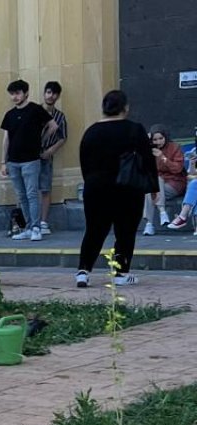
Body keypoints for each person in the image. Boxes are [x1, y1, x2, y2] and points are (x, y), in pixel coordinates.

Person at [76, 90, 157, 288]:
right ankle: (121, 273)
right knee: (125, 232)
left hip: (96, 188)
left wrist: (91, 183)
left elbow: (84, 163)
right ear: (125, 107)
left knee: (94, 230)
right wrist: (153, 188)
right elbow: (147, 160)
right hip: (127, 189)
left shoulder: (91, 132)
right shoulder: (134, 129)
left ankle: (83, 271)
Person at [0, 79, 59, 242]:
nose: (15, 97)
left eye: (17, 93)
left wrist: (41, 139)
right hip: (13, 161)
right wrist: (3, 162)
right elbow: (6, 138)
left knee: (32, 194)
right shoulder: (10, 114)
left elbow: (53, 126)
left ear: (26, 93)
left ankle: (36, 227)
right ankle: (28, 227)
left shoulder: (35, 109)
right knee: (21, 195)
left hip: (31, 159)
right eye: (12, 94)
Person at [35, 81, 68, 236]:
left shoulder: (60, 116)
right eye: (48, 92)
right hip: (29, 155)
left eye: (54, 93)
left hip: (46, 155)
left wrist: (50, 151)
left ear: (58, 96)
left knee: (45, 188)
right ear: (44, 93)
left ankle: (43, 221)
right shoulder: (34, 111)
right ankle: (29, 222)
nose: (51, 96)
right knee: (28, 189)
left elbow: (63, 137)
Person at [143, 125, 185, 235]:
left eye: (161, 138)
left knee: (152, 188)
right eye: (155, 139)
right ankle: (159, 215)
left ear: (165, 137)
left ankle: (150, 224)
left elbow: (178, 169)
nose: (159, 142)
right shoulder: (150, 150)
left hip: (174, 183)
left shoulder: (174, 147)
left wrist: (162, 157)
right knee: (151, 187)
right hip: (158, 185)